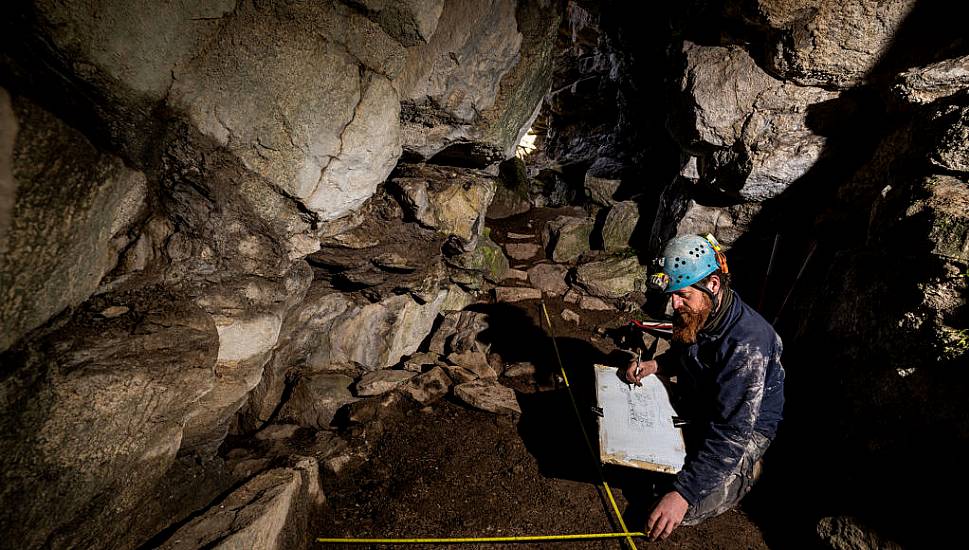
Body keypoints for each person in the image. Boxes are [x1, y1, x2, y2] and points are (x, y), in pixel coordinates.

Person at [624, 233, 785, 540]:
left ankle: (749, 469)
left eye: (682, 294)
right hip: (708, 401)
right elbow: (684, 352)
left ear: (712, 285)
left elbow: (732, 431)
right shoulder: (698, 310)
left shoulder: (747, 345)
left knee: (683, 510)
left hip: (745, 428)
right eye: (673, 294)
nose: (674, 304)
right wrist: (654, 365)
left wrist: (682, 495)